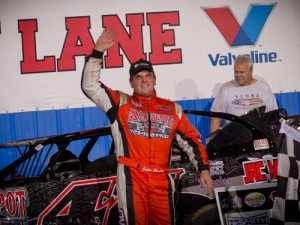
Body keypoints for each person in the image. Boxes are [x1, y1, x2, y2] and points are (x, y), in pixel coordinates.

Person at [81, 28, 213, 225]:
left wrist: (204, 169)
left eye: (147, 75)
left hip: (162, 181)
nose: (144, 80)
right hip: (133, 180)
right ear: (131, 82)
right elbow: (90, 86)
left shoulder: (172, 109)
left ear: (154, 79)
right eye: (138, 77)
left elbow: (192, 141)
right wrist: (97, 53)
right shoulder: (120, 103)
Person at [210, 55, 278, 133]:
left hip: (259, 137)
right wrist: (214, 142)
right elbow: (215, 117)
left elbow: (273, 115)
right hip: (234, 138)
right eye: (236, 72)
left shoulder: (263, 87)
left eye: (242, 72)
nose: (238, 75)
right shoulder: (225, 88)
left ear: (251, 70)